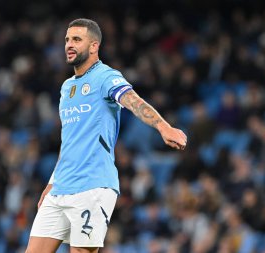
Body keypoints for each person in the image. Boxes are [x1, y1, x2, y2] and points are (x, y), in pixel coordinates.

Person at [25, 18, 187, 253]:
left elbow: (132, 100)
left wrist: (163, 127)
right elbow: (69, 140)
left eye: (77, 40)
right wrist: (52, 182)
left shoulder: (105, 77)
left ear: (94, 46)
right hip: (60, 187)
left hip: (92, 186)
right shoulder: (66, 87)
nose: (69, 44)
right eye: (67, 40)